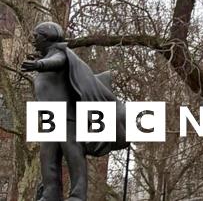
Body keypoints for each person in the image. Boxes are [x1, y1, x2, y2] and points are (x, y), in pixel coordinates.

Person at [22, 21, 127, 200]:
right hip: (51, 117)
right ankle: (51, 193)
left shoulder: (60, 53)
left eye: (36, 36)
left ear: (47, 37)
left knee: (73, 152)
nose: (33, 40)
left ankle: (78, 195)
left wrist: (39, 65)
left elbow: (57, 62)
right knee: (47, 157)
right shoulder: (48, 55)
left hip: (67, 117)